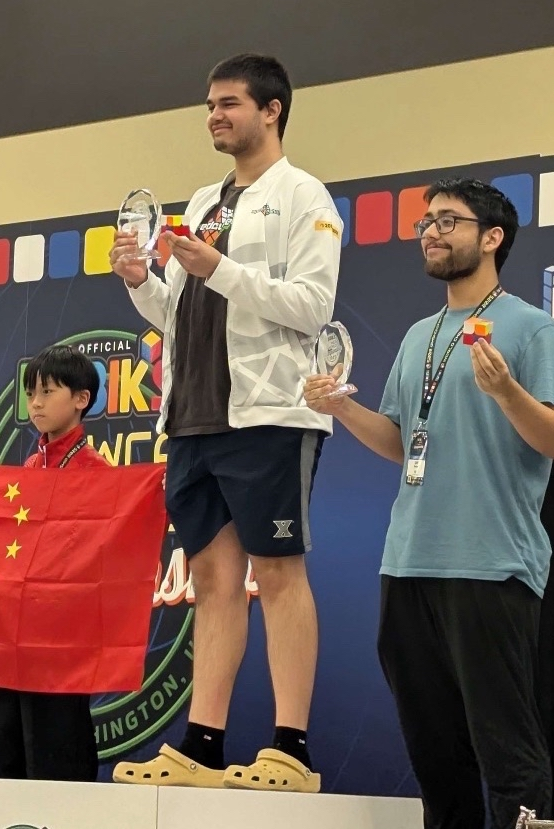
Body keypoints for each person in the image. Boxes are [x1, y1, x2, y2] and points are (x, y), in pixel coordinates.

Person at [109, 53, 342, 792]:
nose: (215, 115)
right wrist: (144, 283)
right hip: (195, 414)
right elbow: (183, 312)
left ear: (272, 110)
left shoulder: (304, 194)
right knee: (213, 579)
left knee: (275, 572)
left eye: (229, 104)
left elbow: (312, 305)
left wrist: (221, 269)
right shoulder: (206, 198)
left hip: (270, 411)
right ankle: (203, 744)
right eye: (209, 105)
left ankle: (291, 746)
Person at [304, 179, 554, 829]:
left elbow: (551, 436)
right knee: (435, 754)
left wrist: (506, 394)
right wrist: (340, 408)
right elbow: (401, 438)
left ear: (493, 237)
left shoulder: (532, 327)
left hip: (492, 566)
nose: (431, 232)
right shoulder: (420, 335)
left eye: (449, 220)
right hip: (408, 566)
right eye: (426, 223)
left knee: (508, 750)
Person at [0, 344, 105, 781]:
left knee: (56, 742)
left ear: (81, 399)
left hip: (62, 637)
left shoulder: (95, 472)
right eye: (30, 393)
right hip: (13, 633)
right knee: (9, 741)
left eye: (46, 391)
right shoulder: (25, 468)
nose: (36, 403)